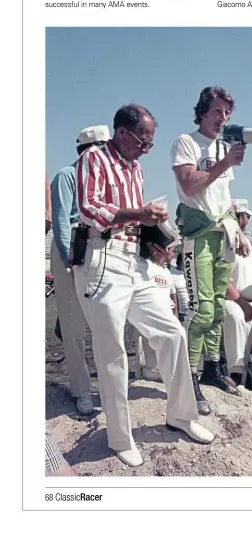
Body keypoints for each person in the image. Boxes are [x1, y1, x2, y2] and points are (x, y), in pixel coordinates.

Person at [75, 104, 213, 467]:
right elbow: (90, 209)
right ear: (122, 132)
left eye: (151, 143)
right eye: (143, 141)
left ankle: (181, 416)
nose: (146, 149)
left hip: (133, 260)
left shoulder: (136, 168)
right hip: (102, 259)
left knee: (171, 333)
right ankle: (120, 437)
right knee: (112, 350)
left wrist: (151, 237)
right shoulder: (93, 158)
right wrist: (138, 214)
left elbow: (131, 217)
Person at [171, 86, 245, 414]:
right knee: (200, 309)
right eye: (217, 111)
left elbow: (223, 196)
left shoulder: (223, 145)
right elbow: (189, 184)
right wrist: (223, 162)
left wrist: (238, 229)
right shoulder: (186, 142)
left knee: (217, 307)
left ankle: (213, 366)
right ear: (202, 111)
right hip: (198, 235)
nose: (223, 118)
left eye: (227, 112)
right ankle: (189, 374)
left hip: (222, 234)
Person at [50, 125, 110, 416]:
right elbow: (62, 222)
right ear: (88, 149)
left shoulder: (105, 181)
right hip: (72, 248)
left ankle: (109, 388)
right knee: (74, 326)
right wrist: (70, 260)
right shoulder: (67, 176)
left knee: (104, 320)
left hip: (99, 250)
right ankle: (81, 390)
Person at [223, 211, 252, 386]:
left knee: (245, 350)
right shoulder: (223, 241)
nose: (243, 220)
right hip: (234, 301)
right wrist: (242, 304)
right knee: (234, 322)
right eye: (239, 216)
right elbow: (222, 279)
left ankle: (239, 384)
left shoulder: (246, 243)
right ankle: (232, 378)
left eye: (245, 216)